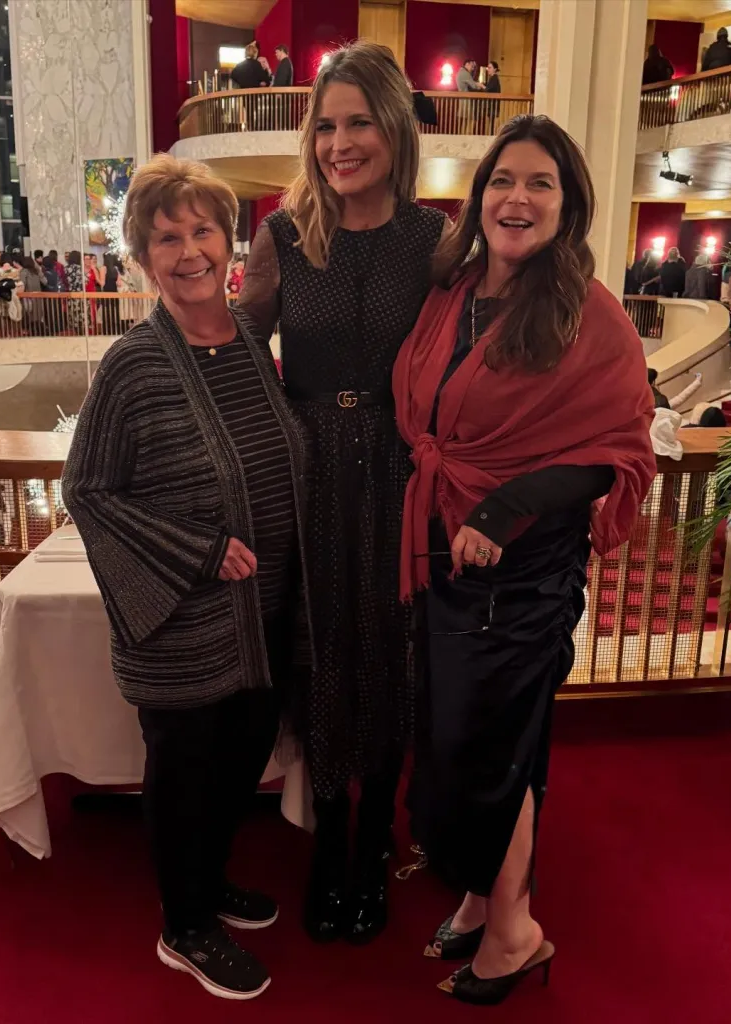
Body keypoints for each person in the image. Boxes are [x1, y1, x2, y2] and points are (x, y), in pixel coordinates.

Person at [393, 113, 656, 1006]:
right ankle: (483, 900)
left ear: (568, 205)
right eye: (503, 180)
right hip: (445, 551)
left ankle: (515, 933)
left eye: (541, 183)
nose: (518, 197)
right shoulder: (455, 292)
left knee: (490, 746)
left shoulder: (590, 313)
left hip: (525, 571)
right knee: (458, 738)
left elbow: (617, 450)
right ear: (479, 199)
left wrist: (505, 508)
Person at [62, 154, 310, 1002]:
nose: (189, 250)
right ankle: (184, 925)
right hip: (183, 622)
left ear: (228, 243)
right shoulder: (133, 365)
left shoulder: (247, 340)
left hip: (262, 610)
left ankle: (207, 884)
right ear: (143, 258)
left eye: (202, 230)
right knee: (185, 772)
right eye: (166, 238)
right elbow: (86, 490)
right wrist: (197, 551)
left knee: (240, 759)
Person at [239, 40, 448, 946]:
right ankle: (329, 835)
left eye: (359, 122)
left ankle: (375, 836)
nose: (339, 143)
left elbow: (471, 352)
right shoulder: (284, 235)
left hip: (401, 473)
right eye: (325, 126)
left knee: (392, 649)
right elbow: (241, 354)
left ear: (395, 129)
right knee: (320, 649)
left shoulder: (435, 240)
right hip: (309, 469)